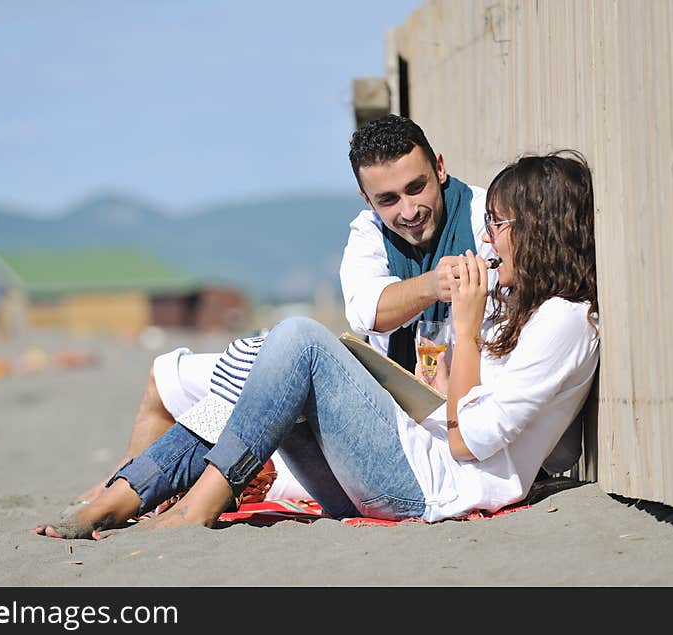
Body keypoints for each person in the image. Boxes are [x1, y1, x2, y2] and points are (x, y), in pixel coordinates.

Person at [33, 149, 600, 539]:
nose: (489, 236)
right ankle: (128, 491)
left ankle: (195, 501)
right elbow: (457, 404)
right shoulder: (521, 308)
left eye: (499, 223)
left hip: (432, 490)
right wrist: (448, 361)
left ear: (538, 231)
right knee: (266, 367)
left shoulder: (566, 322)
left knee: (301, 338)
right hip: (406, 463)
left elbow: (467, 442)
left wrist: (468, 329)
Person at [69, 114, 497, 509]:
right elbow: (368, 312)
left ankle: (179, 491)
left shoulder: (483, 220)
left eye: (416, 187)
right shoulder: (368, 232)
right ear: (365, 198)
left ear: (440, 169)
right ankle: (123, 485)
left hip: (418, 439)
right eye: (387, 199)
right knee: (166, 377)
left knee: (275, 373)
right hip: (376, 403)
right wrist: (431, 284)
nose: (407, 211)